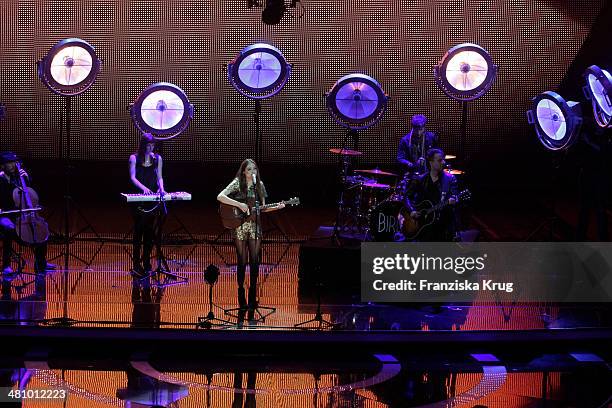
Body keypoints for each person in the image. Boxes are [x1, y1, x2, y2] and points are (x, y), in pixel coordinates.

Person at [217, 159, 284, 310]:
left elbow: (263, 208)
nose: (252, 172)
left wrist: (277, 207)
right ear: (243, 172)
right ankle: (240, 288)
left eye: (254, 169)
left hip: (255, 226)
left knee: (255, 259)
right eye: (249, 170)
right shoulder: (237, 183)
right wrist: (239, 204)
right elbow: (220, 196)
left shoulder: (259, 185)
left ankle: (253, 288)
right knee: (242, 259)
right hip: (239, 226)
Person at [0, 152, 50, 276]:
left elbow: (30, 196)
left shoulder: (20, 178)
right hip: (5, 215)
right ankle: (6, 265)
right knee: (8, 228)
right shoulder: (0, 180)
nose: (12, 165)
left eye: (14, 162)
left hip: (22, 215)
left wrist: (27, 180)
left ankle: (41, 261)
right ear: (2, 166)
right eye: (9, 163)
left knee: (42, 230)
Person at [128, 133, 165, 276]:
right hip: (139, 198)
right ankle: (136, 264)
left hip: (151, 199)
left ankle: (147, 262)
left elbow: (160, 177)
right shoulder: (134, 158)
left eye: (152, 145)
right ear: (143, 145)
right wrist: (143, 188)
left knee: (149, 232)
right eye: (148, 145)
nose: (150, 148)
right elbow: (132, 177)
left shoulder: (157, 159)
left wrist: (161, 188)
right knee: (139, 231)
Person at [405, 148, 459, 241]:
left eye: (443, 160)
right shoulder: (420, 179)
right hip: (423, 227)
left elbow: (454, 196)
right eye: (439, 160)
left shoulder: (450, 179)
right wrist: (412, 211)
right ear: (431, 162)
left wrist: (454, 200)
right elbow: (406, 197)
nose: (443, 162)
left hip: (443, 226)